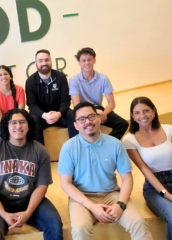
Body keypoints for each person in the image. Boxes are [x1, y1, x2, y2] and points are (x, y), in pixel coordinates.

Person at [58, 102, 152, 240]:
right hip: (82, 198)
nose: (88, 122)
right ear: (76, 125)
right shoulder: (68, 148)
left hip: (111, 193)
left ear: (99, 118)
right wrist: (92, 206)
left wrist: (121, 204)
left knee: (138, 223)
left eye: (91, 116)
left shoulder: (115, 144)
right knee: (80, 229)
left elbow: (127, 178)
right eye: (82, 119)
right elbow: (66, 183)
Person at [0, 109, 63, 240]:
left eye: (22, 122)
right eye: (13, 122)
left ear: (29, 125)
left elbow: (42, 186)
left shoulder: (40, 151)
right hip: (0, 199)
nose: (18, 126)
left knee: (55, 225)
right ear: (7, 126)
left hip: (29, 198)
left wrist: (28, 213)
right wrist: (4, 214)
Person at [122, 96, 172, 239]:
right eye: (137, 113)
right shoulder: (129, 139)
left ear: (154, 111)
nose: (142, 116)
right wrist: (167, 195)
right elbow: (145, 170)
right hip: (155, 187)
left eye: (146, 111)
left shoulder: (169, 130)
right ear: (132, 116)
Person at [69, 47, 128, 140]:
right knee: (76, 124)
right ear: (79, 63)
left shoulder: (103, 78)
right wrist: (95, 114)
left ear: (94, 60)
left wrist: (103, 113)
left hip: (98, 109)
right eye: (83, 60)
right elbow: (77, 105)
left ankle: (107, 143)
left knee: (123, 124)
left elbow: (111, 103)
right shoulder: (74, 80)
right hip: (82, 110)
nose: (87, 63)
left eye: (89, 59)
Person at [25, 49, 77, 145]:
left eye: (47, 60)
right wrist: (44, 115)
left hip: (60, 114)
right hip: (42, 116)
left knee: (72, 115)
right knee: (32, 120)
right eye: (40, 61)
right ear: (36, 63)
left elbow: (66, 100)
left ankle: (76, 149)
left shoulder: (61, 77)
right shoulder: (30, 81)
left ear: (51, 61)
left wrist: (59, 114)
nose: (44, 63)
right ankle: (41, 156)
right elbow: (31, 105)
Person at [0, 65, 25, 138]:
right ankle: (0, 149)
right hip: (0, 122)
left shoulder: (20, 89)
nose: (3, 77)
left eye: (6, 74)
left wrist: (15, 124)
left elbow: (20, 112)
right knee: (0, 129)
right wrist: (10, 125)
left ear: (10, 76)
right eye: (0, 75)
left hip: (18, 120)